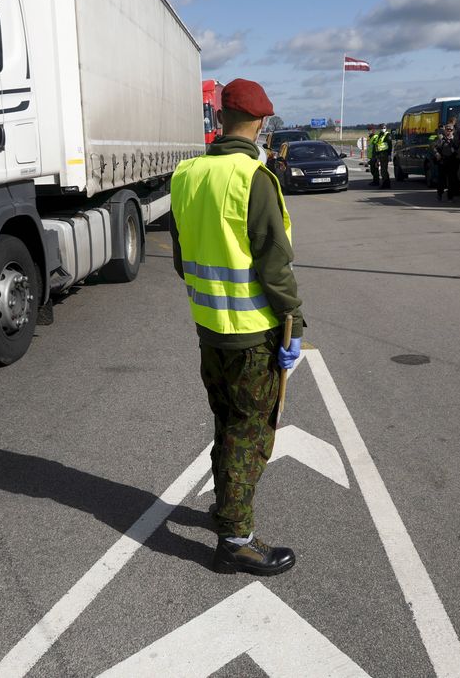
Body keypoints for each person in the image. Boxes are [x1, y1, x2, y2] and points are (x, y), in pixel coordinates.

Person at [169, 78, 304, 576]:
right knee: (249, 435)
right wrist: (296, 324)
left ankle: (225, 509)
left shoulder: (186, 175)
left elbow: (182, 261)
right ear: (262, 123)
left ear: (220, 119)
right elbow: (275, 268)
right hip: (253, 336)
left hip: (210, 332)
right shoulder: (255, 179)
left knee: (227, 425)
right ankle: (236, 541)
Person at [433, 122, 460, 201]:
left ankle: (450, 196)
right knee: (441, 179)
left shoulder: (455, 139)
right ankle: (440, 194)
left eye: (450, 130)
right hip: (443, 161)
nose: (448, 131)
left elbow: (458, 148)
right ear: (444, 130)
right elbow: (434, 147)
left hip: (452, 161)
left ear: (453, 131)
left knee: (452, 179)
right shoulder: (441, 139)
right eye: (447, 129)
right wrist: (437, 153)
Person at [371, 122, 394, 188]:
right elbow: (378, 145)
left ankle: (386, 184)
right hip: (380, 154)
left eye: (384, 128)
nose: (382, 129)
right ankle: (385, 183)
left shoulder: (387, 135)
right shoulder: (380, 135)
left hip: (385, 154)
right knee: (382, 170)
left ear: (386, 128)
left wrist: (389, 155)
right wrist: (377, 156)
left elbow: (390, 145)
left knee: (384, 170)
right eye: (381, 128)